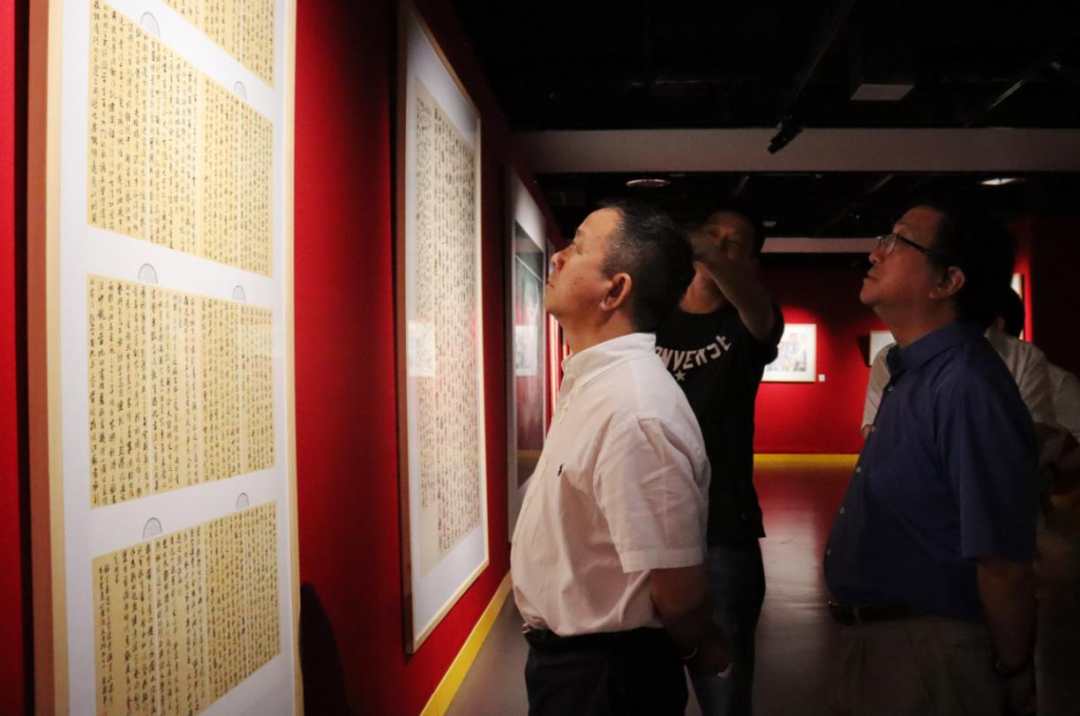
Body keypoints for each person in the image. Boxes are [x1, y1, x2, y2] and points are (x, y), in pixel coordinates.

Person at [510, 199, 728, 715]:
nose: (558, 257)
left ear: (615, 290)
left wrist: (693, 650)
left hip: (608, 681)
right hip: (578, 672)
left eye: (578, 246)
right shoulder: (598, 387)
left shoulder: (634, 408)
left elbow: (678, 590)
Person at [826, 201, 1038, 716]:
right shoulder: (915, 372)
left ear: (947, 282)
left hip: (928, 658)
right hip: (887, 648)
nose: (876, 253)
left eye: (898, 241)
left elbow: (1002, 560)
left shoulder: (965, 384)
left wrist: (1013, 670)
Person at [655, 206, 783, 716]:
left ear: (750, 264)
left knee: (725, 693)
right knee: (645, 688)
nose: (720, 248)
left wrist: (703, 245)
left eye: (735, 243)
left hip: (723, 528)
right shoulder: (652, 318)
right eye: (714, 236)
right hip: (646, 526)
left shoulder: (750, 323)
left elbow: (759, 312)